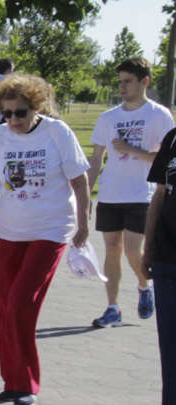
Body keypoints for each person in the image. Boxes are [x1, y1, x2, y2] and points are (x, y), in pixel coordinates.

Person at [0, 73, 91, 405]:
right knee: (5, 306)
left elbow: (80, 182)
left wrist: (83, 225)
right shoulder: (3, 137)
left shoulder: (57, 132)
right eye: (6, 114)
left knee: (22, 301)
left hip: (50, 230)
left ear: (36, 108)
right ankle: (13, 380)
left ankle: (27, 382)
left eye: (20, 113)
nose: (13, 120)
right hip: (10, 230)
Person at [85, 57, 174, 328]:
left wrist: (132, 150)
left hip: (141, 194)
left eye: (128, 81)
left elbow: (166, 161)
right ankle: (113, 308)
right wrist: (86, 193)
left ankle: (144, 285)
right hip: (111, 193)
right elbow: (97, 158)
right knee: (112, 249)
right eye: (120, 82)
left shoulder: (159, 115)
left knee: (133, 251)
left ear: (144, 82)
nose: (122, 87)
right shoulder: (107, 117)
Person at [143, 125, 176, 405]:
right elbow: (160, 195)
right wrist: (148, 247)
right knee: (170, 340)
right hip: (168, 257)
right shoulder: (173, 138)